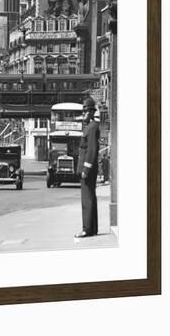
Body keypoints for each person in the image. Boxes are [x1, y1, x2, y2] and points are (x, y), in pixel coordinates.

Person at [75, 97, 100, 238]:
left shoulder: (91, 127)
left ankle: (87, 229)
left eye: (85, 112)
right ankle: (93, 228)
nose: (83, 114)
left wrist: (86, 169)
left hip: (87, 169)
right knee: (91, 198)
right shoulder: (90, 126)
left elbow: (91, 150)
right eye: (83, 112)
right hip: (87, 168)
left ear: (91, 112)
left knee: (87, 200)